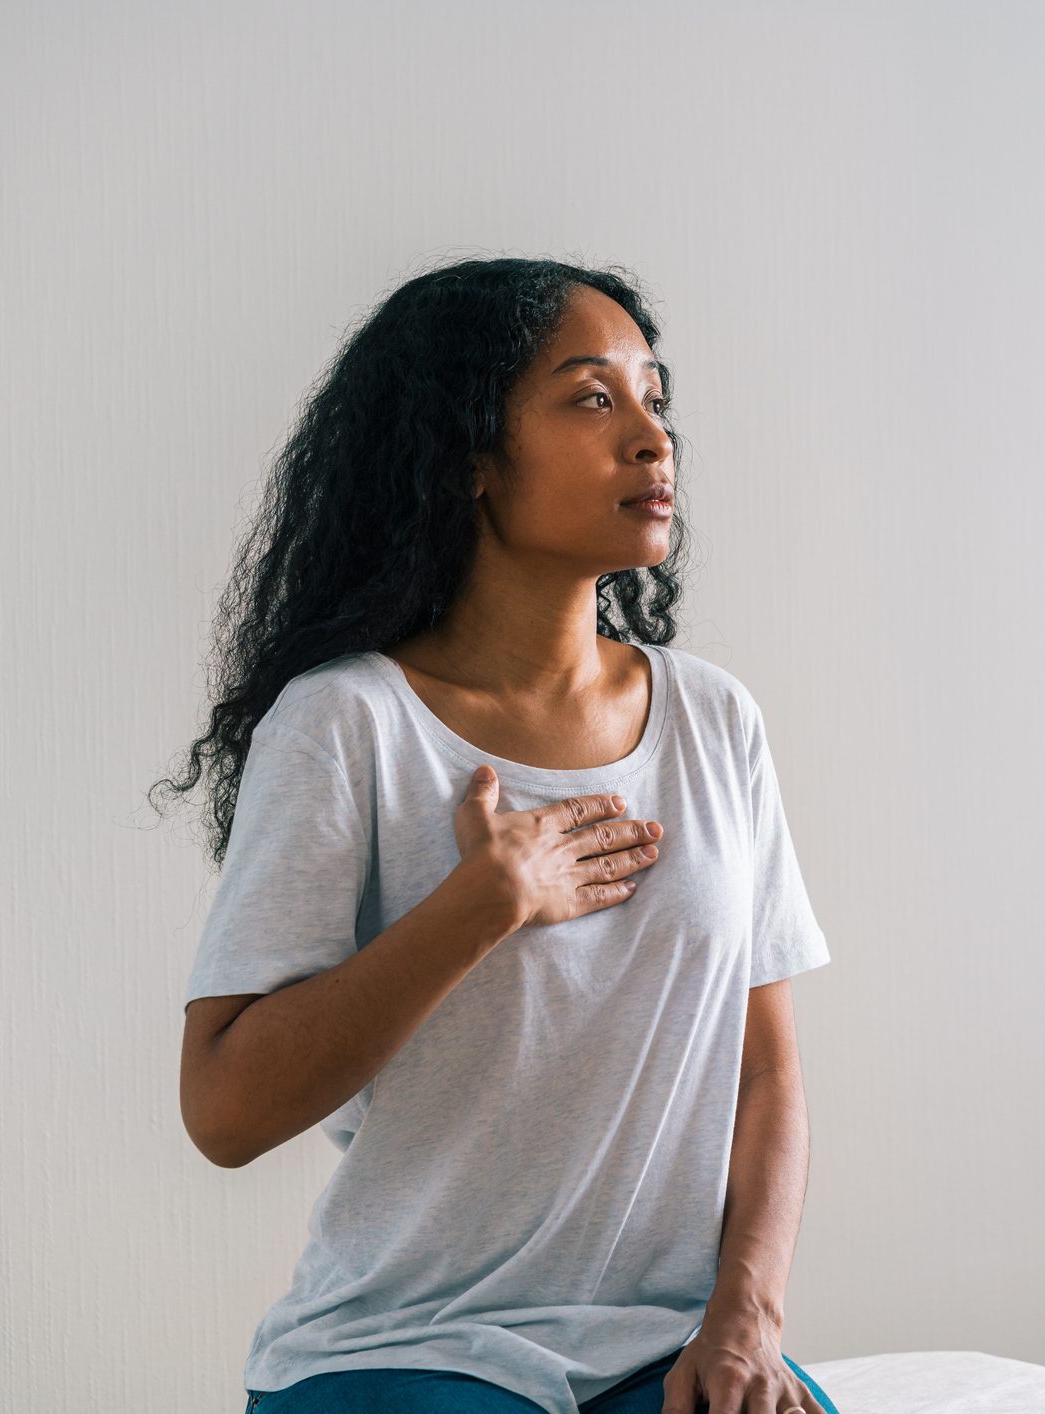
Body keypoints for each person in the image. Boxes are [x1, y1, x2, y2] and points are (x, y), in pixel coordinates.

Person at [157, 258, 839, 1414]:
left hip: (659, 1345)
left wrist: (744, 1320)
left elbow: (764, 1071)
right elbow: (224, 1111)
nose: (651, 437)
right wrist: (485, 903)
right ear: (467, 456)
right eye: (591, 397)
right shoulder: (346, 723)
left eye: (654, 397)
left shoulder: (714, 719)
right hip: (406, 1348)